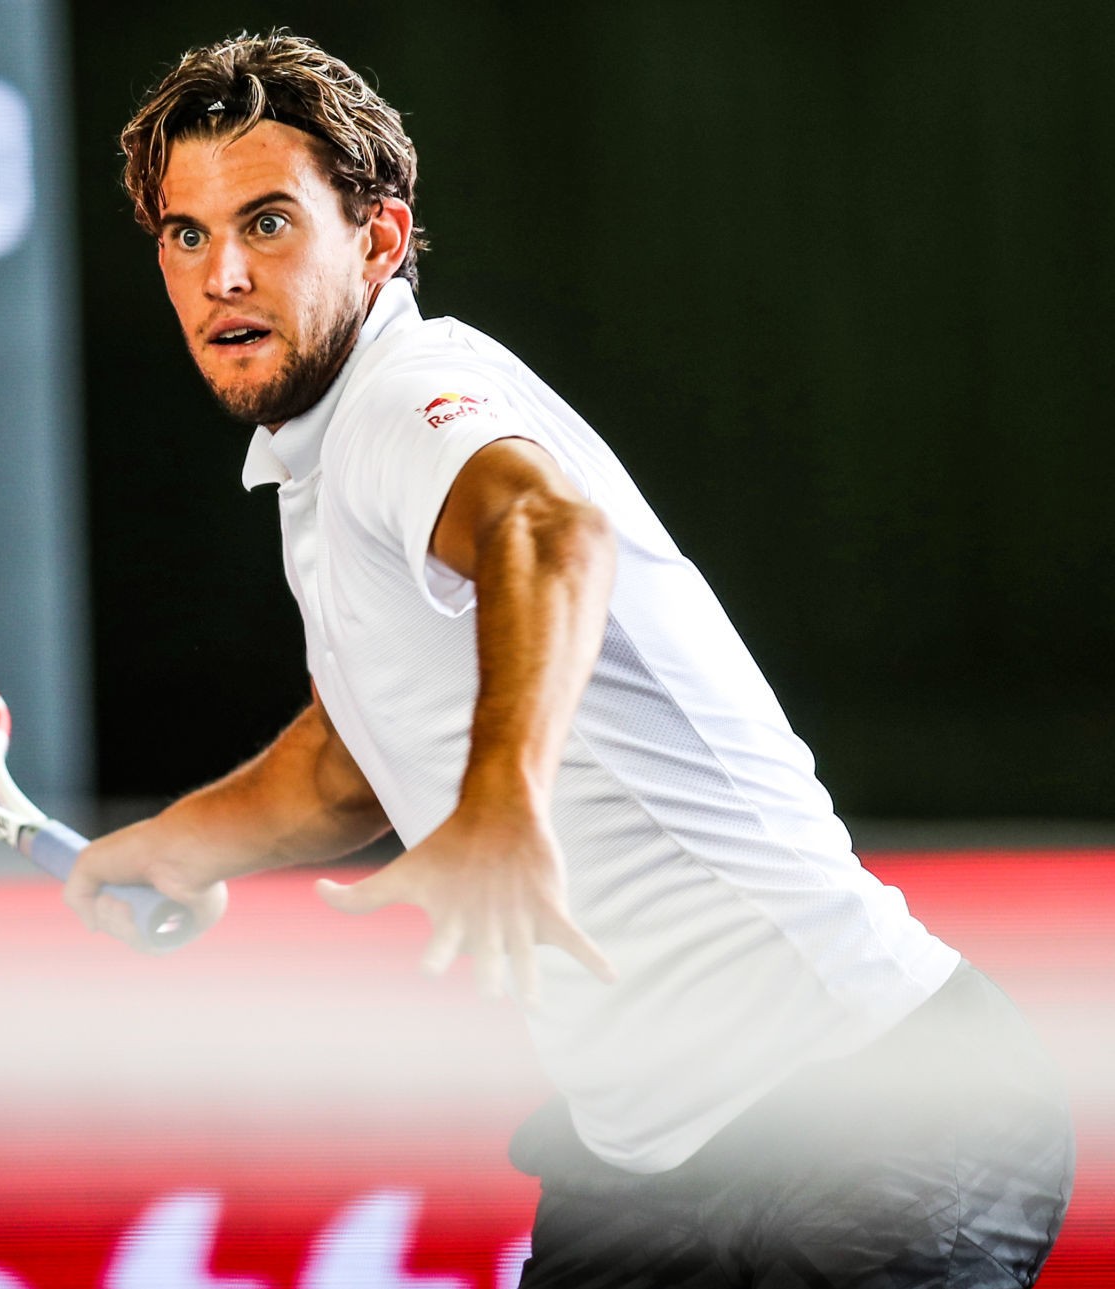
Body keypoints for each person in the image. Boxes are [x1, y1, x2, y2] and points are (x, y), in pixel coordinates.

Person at [67, 31, 1073, 1287]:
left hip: (870, 1112)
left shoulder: (403, 400)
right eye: (186, 234)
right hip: (650, 1165)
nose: (222, 273)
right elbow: (348, 761)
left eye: (267, 223)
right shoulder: (320, 462)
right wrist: (177, 843)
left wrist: (504, 795)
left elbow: (545, 530)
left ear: (378, 241)